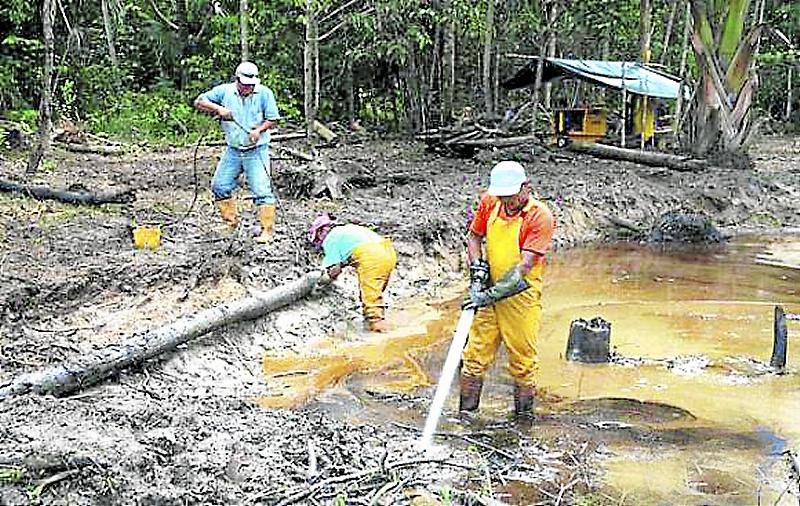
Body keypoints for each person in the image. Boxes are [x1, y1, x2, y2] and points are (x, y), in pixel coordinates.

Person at [460, 160, 556, 419]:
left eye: (511, 197)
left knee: (522, 361)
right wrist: (477, 268)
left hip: (520, 297)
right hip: (489, 290)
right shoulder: (491, 202)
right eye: (501, 197)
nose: (506, 202)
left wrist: (486, 295)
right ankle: (466, 416)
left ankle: (522, 422)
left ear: (526, 187)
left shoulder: (539, 216)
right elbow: (474, 237)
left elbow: (523, 267)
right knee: (474, 355)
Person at [193, 61, 280, 243]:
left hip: (256, 149)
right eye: (245, 84)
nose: (248, 87)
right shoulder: (224, 91)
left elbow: (272, 119)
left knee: (261, 189)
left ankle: (267, 230)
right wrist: (219, 109)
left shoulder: (264, 93)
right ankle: (230, 224)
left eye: (251, 85)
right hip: (233, 149)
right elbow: (199, 101)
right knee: (220, 185)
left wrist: (258, 131)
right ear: (237, 80)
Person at [308, 213, 397, 332]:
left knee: (371, 300)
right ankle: (369, 322)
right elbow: (351, 252)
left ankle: (379, 333)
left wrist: (322, 283)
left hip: (371, 257)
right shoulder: (347, 229)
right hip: (388, 252)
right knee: (374, 293)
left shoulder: (330, 239)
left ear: (319, 232)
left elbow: (334, 269)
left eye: (317, 240)